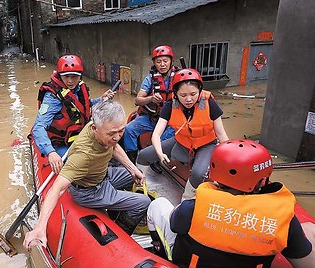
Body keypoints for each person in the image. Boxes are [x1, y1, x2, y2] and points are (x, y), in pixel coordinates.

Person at [146, 140, 315, 267]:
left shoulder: (193, 208)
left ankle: (158, 249)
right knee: (309, 229)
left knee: (158, 204)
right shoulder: (284, 221)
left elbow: (175, 224)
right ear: (263, 181)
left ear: (214, 175)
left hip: (190, 261)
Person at [24, 101, 150, 250]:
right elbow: (56, 189)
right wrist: (40, 226)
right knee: (143, 202)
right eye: (112, 133)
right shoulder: (83, 155)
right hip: (90, 191)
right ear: (94, 129)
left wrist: (132, 168)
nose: (117, 137)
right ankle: (121, 232)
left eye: (121, 131)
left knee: (137, 175)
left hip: (102, 174)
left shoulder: (101, 127)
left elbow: (113, 146)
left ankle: (116, 209)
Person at [137, 68, 229, 200]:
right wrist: (160, 153)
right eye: (183, 95)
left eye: (193, 94)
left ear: (200, 91)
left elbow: (221, 135)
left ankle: (185, 200)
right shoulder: (170, 105)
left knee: (198, 173)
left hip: (206, 144)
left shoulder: (209, 103)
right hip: (182, 141)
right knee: (143, 155)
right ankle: (140, 188)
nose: (189, 99)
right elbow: (156, 134)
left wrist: (228, 159)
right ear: (175, 93)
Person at [32, 54, 115, 174]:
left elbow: (84, 106)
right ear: (60, 76)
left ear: (80, 76)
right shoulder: (52, 97)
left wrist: (101, 99)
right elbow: (38, 127)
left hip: (80, 136)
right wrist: (51, 152)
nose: (70, 81)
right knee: (78, 165)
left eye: (74, 76)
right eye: (66, 76)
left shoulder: (79, 88)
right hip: (61, 143)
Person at [122, 45, 179, 164]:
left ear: (171, 61)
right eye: (159, 62)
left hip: (172, 121)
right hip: (152, 118)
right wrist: (151, 98)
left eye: (165, 61)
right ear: (154, 63)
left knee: (163, 140)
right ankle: (132, 160)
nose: (162, 64)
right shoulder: (149, 79)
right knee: (129, 129)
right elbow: (137, 100)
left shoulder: (179, 78)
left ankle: (156, 161)